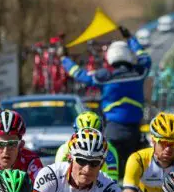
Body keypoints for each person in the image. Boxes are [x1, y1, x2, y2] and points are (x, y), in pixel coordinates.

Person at [62, 26, 151, 179]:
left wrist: (64, 59)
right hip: (135, 131)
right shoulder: (139, 73)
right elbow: (145, 58)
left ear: (110, 57)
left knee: (109, 174)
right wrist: (131, 39)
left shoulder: (105, 77)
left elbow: (80, 75)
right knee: (135, 173)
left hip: (112, 130)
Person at [54, 111, 119, 182]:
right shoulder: (64, 149)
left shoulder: (110, 149)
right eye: (83, 135)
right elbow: (60, 176)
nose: (88, 139)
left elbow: (112, 180)